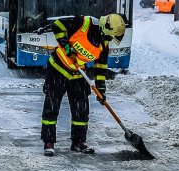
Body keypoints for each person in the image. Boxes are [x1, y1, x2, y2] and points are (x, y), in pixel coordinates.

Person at [41, 13, 126, 156]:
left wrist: (101, 90)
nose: (109, 40)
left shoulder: (103, 44)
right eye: (110, 36)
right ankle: (49, 142)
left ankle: (79, 142)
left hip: (78, 73)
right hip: (58, 69)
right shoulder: (83, 23)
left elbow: (100, 68)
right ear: (104, 28)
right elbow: (57, 25)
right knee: (52, 105)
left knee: (82, 108)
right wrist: (67, 47)